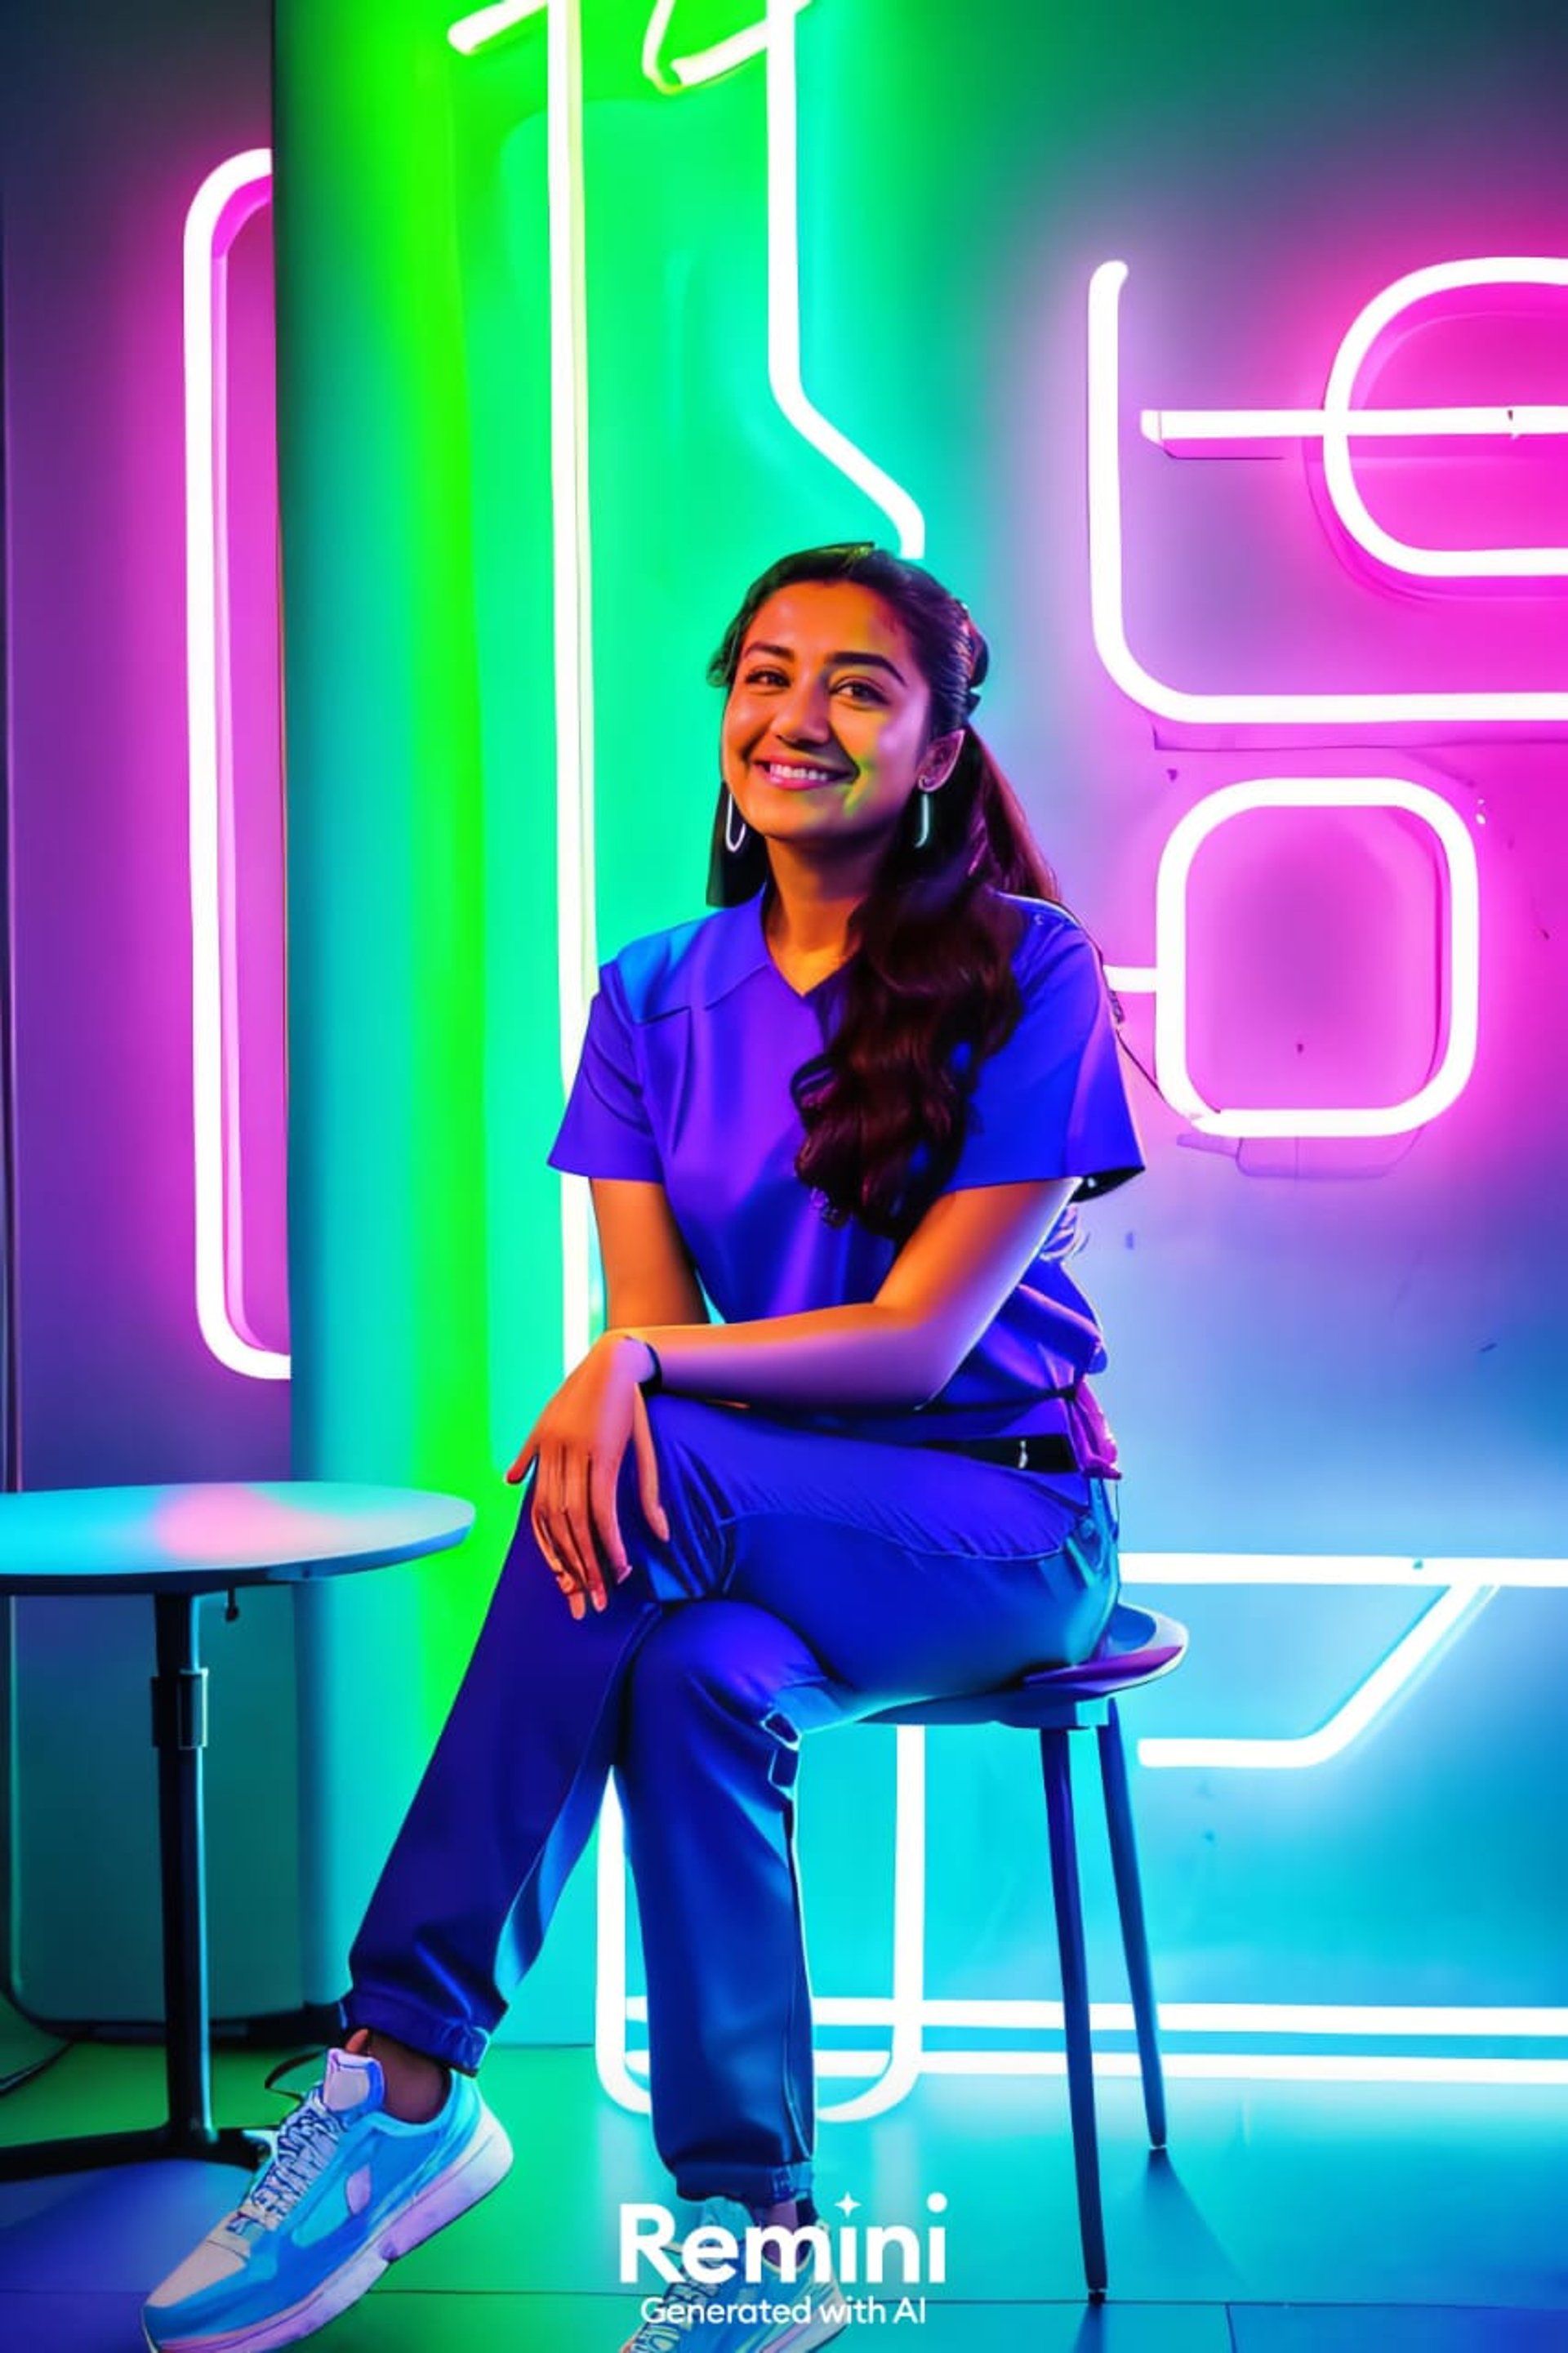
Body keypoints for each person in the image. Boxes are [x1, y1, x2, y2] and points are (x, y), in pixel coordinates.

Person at [141, 542, 1143, 2353]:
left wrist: (642, 1370)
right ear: (728, 719)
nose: (799, 715)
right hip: (754, 1529)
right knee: (690, 1676)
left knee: (641, 1461)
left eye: (859, 684)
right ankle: (761, 2242)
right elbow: (651, 1341)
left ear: (935, 751)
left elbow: (916, 1346)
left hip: (1004, 1526)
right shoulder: (649, 995)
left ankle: (406, 2067)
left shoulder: (1030, 968)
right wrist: (643, 1371)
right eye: (766, 674)